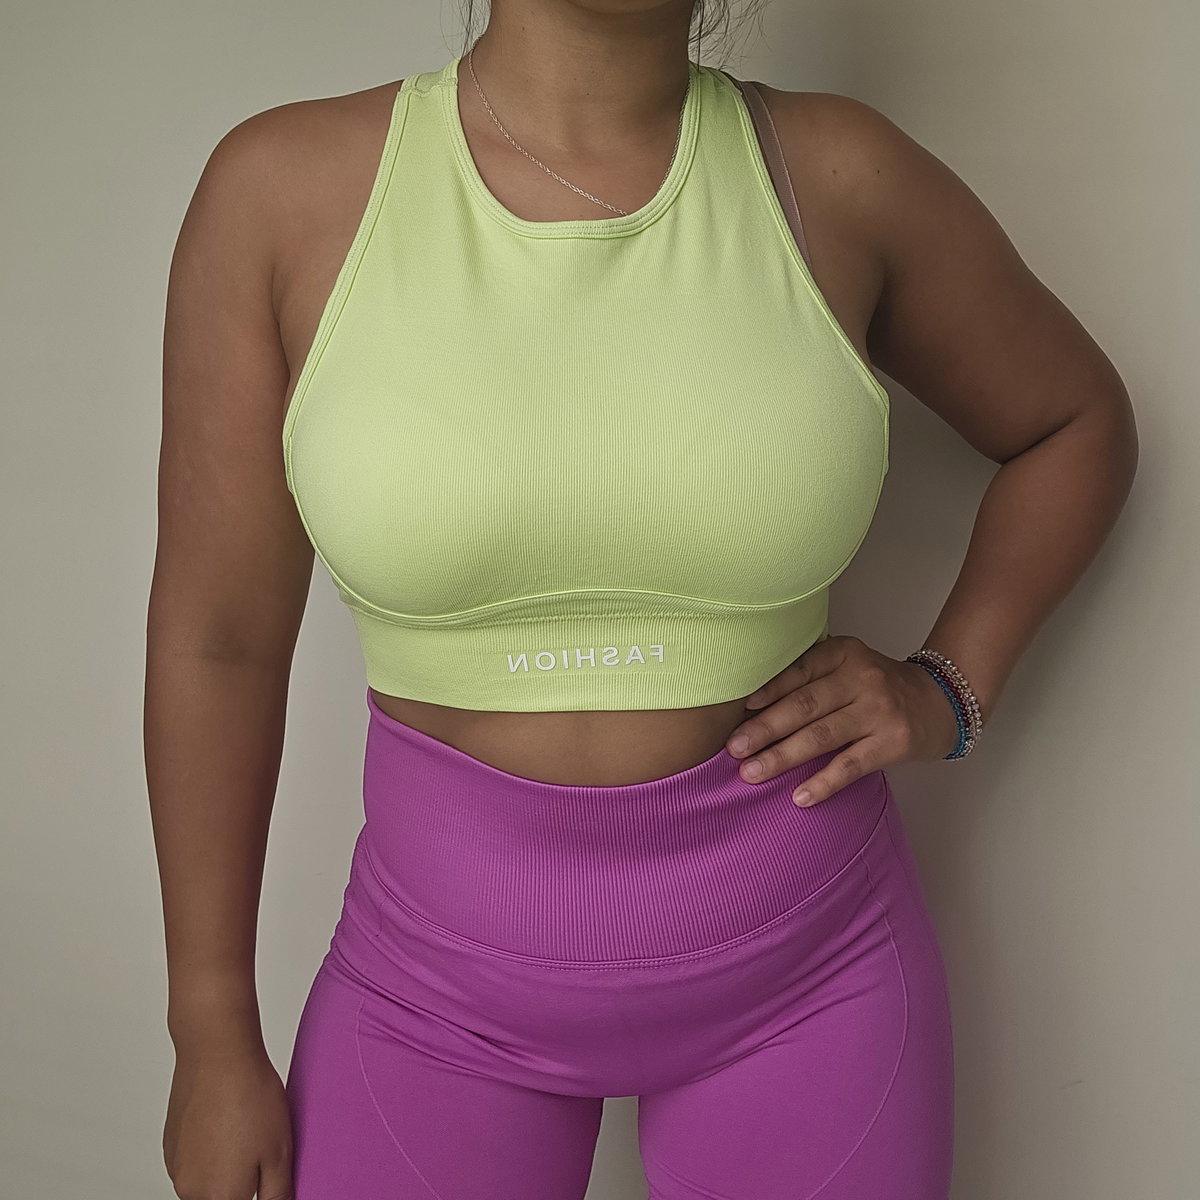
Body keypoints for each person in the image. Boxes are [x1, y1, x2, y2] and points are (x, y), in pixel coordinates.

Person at [144, 1, 1138, 1197]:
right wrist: (210, 1030)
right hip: (427, 1001)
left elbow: (1073, 424)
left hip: (811, 981)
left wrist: (947, 688)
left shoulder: (841, 180)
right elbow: (219, 643)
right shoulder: (282, 193)